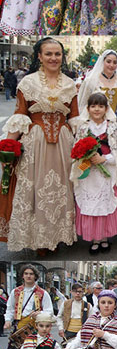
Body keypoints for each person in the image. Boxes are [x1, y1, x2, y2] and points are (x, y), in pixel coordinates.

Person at [2, 37, 78, 253]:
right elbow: (20, 115)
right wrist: (8, 145)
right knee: (36, 190)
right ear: (39, 57)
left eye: (57, 54)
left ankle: (57, 236)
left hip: (63, 145)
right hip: (35, 143)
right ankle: (38, 240)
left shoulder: (70, 84)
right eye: (49, 54)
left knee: (61, 190)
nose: (54, 58)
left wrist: (85, 144)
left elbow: (74, 117)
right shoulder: (27, 83)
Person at [71, 92, 117, 253]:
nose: (97, 109)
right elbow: (76, 150)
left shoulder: (112, 127)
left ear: (106, 108)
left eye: (100, 106)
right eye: (93, 106)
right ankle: (95, 239)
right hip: (89, 172)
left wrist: (105, 159)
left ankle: (104, 238)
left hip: (107, 170)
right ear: (88, 108)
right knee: (92, 204)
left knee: (106, 204)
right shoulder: (83, 127)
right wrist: (87, 158)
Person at [5, 264, 53, 349]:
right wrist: (8, 321)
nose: (28, 276)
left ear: (36, 276)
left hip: (37, 329)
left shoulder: (43, 293)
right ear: (22, 276)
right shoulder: (15, 292)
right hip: (20, 329)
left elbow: (49, 312)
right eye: (26, 273)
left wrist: (39, 314)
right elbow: (9, 309)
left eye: (31, 274)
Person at [58, 281, 91, 349]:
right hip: (68, 332)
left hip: (81, 334)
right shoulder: (66, 303)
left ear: (83, 293)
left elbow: (90, 321)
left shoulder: (87, 305)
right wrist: (60, 329)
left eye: (80, 292)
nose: (78, 294)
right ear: (71, 292)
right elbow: (59, 317)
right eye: (76, 292)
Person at [77, 47, 117, 116]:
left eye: (115, 62)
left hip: (115, 122)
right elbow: (83, 104)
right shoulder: (91, 81)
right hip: (95, 122)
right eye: (108, 61)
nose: (111, 65)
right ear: (102, 61)